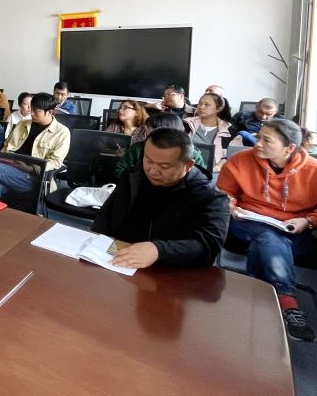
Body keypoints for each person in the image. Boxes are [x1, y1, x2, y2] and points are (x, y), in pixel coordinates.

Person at [216, 119, 317, 342]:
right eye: (258, 137)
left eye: (266, 140)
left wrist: (307, 222)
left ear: (289, 148)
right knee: (267, 236)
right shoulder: (240, 162)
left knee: (269, 241)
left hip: (292, 231)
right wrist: (231, 206)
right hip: (244, 226)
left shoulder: (316, 171)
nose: (257, 143)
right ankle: (287, 304)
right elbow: (223, 193)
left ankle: (261, 308)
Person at [92, 128, 230, 269]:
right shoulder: (133, 176)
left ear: (188, 165)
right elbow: (106, 214)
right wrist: (95, 242)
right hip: (117, 257)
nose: (152, 171)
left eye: (164, 166)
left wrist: (158, 250)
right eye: (148, 160)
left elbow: (208, 246)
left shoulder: (210, 197)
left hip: (169, 268)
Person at [0, 93, 70, 199]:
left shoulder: (62, 132)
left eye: (36, 111)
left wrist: (30, 169)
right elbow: (6, 147)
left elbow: (55, 162)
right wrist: (5, 160)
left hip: (34, 177)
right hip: (10, 166)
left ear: (50, 112)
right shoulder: (22, 124)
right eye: (31, 109)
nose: (31, 113)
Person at [116, 112, 208, 177]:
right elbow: (120, 171)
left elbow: (200, 179)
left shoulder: (192, 154)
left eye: (150, 131)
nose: (147, 134)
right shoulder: (138, 148)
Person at [183, 92, 233, 173]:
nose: (201, 107)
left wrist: (213, 170)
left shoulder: (228, 130)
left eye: (207, 105)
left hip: (214, 171)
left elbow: (230, 157)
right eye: (200, 104)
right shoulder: (187, 124)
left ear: (218, 108)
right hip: (186, 168)